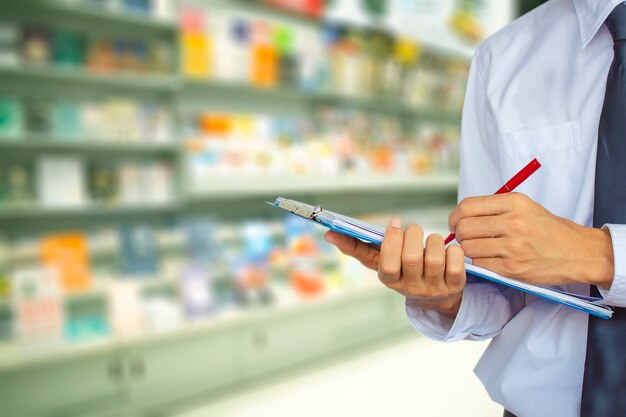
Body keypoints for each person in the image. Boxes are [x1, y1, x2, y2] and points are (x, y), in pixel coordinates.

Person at [324, 0, 626, 416]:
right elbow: (504, 292)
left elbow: (566, 251)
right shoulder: (504, 57)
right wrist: (447, 297)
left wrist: (599, 255)